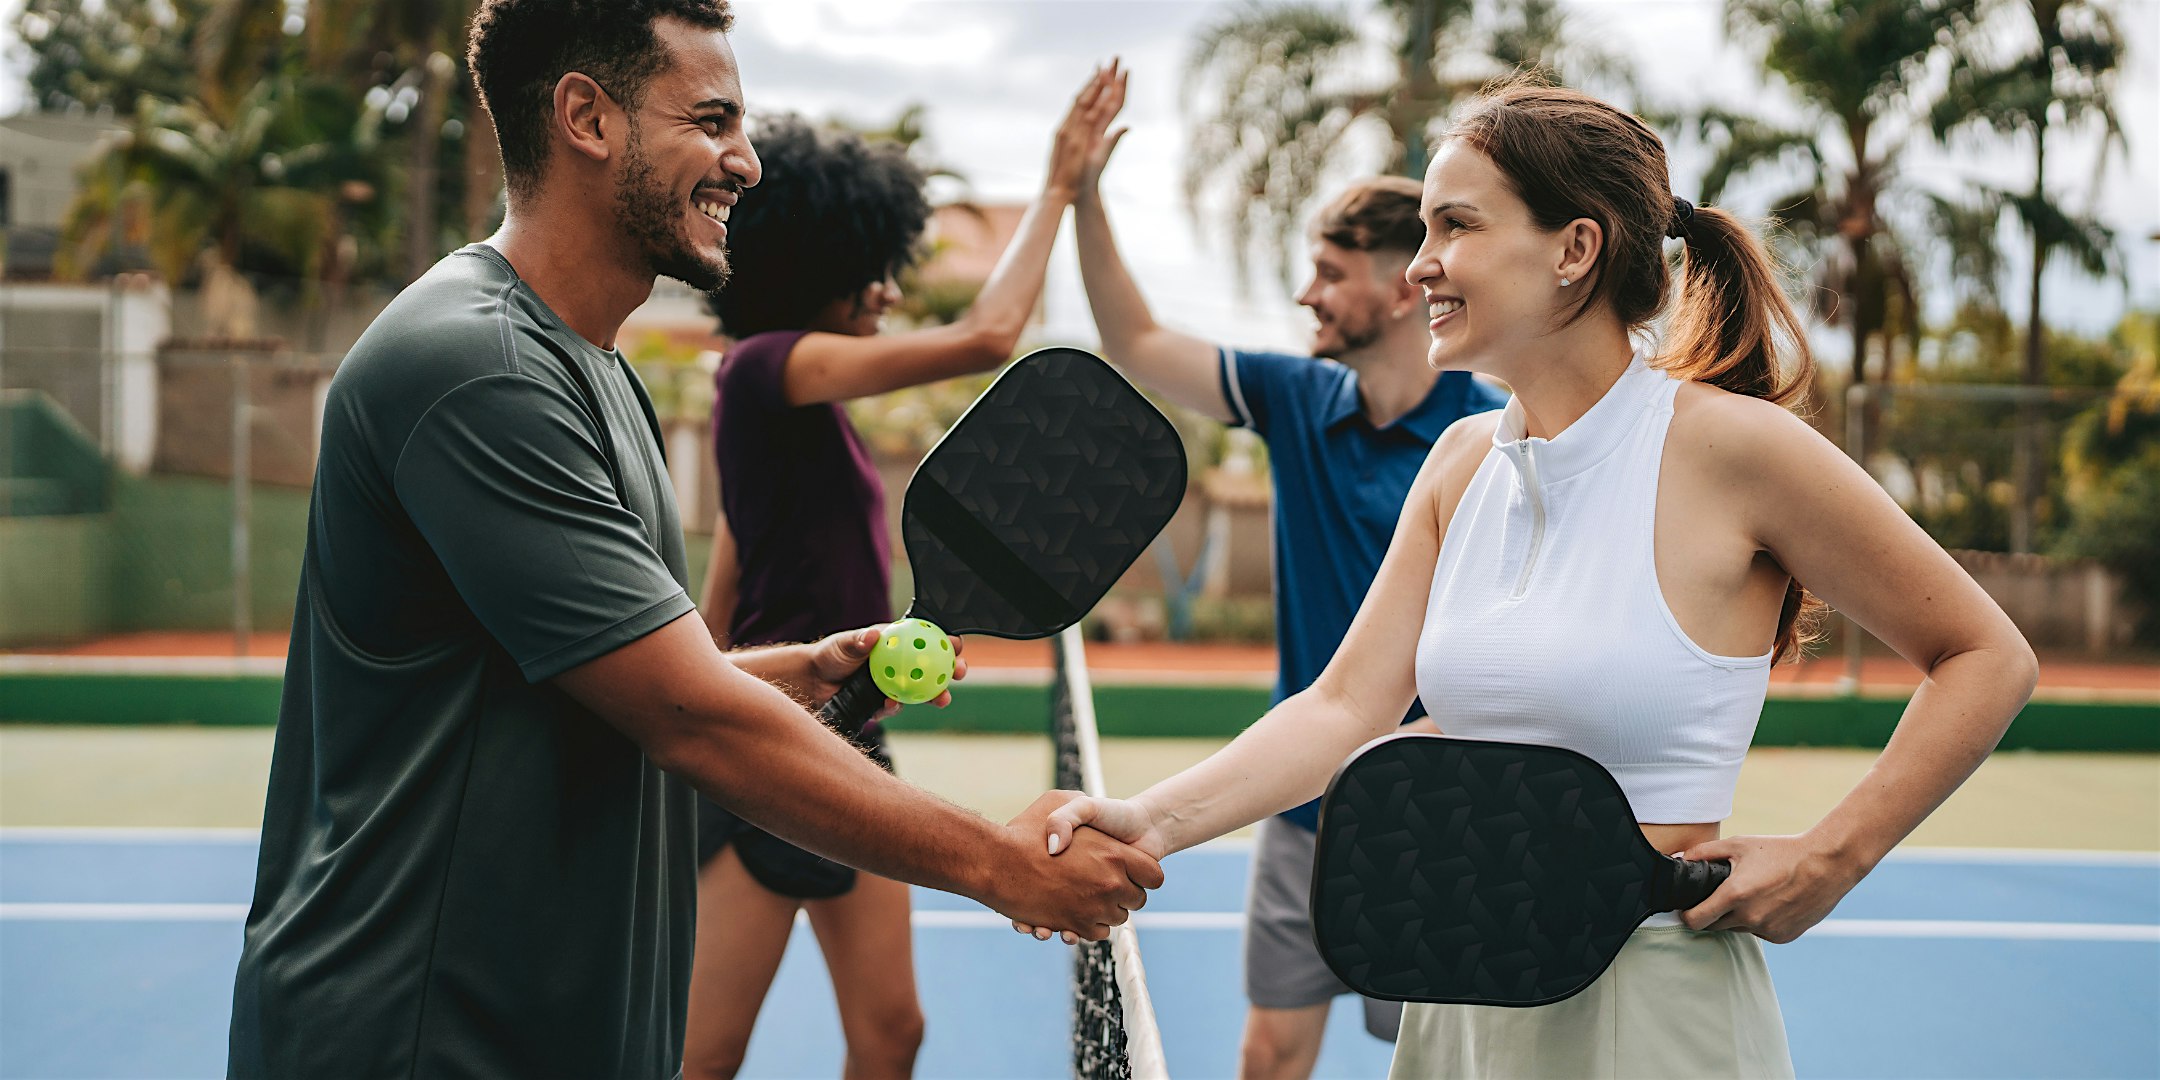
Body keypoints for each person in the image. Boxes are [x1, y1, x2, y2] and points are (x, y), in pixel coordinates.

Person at [1029, 79, 2037, 1079]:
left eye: (1456, 226)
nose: (1422, 265)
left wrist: (1833, 857)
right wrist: (1148, 819)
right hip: (1458, 996)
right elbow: (1343, 708)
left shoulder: (1738, 449)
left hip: (1647, 1003)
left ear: (1575, 249)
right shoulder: (1461, 461)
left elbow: (1986, 654)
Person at [224, 4, 1159, 1077]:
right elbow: (689, 717)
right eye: (711, 120)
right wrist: (999, 862)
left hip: (547, 1030)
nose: (746, 162)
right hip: (426, 1036)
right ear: (587, 117)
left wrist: (792, 673)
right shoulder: (480, 370)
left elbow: (607, 677)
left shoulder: (596, 374)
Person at [1064, 68, 1505, 1078]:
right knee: (1268, 1057)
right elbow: (1133, 340)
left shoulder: (1494, 434)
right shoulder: (1296, 398)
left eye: (1328, 271)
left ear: (1404, 287)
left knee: (1445, 1065)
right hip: (1304, 809)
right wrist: (1086, 197)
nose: (1306, 293)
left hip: (1441, 823)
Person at [685, 67, 1124, 1080]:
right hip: (779, 756)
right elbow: (987, 338)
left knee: (892, 1036)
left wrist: (744, 680)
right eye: (868, 268)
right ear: (808, 267)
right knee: (702, 1057)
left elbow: (727, 581)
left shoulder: (789, 410)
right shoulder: (763, 367)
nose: (885, 288)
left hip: (848, 740)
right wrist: (1058, 183)